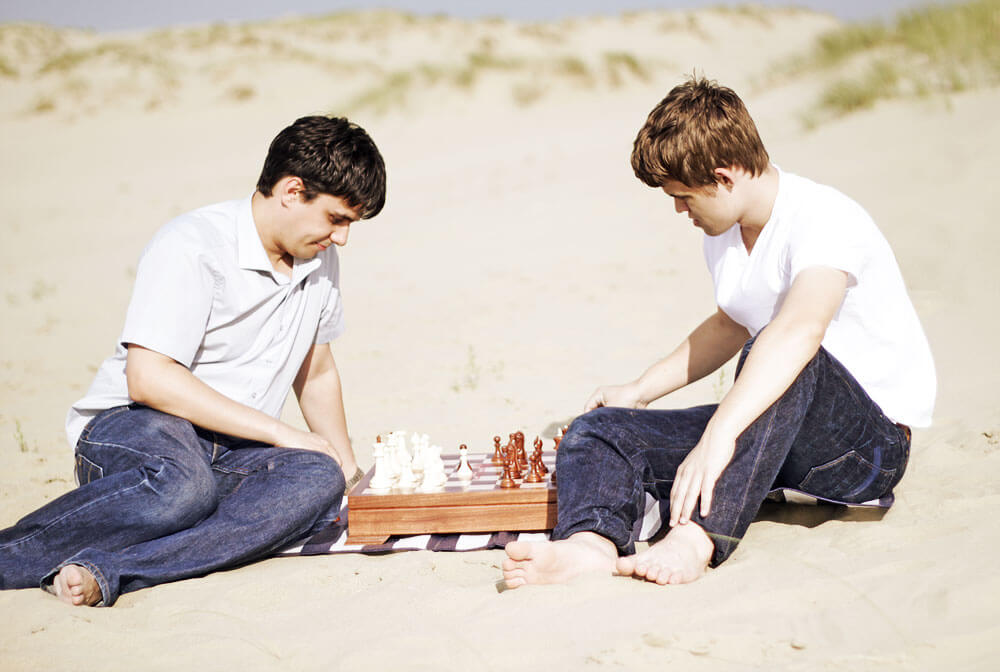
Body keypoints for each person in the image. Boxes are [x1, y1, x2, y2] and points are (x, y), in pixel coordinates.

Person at [502, 76, 935, 588]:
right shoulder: (725, 231)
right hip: (771, 437)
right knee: (601, 428)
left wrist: (719, 435)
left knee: (781, 352)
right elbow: (730, 323)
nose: (678, 210)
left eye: (684, 196)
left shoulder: (825, 217)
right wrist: (640, 391)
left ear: (724, 177)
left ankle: (696, 538)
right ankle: (590, 544)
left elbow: (800, 330)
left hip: (865, 450)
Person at [0, 115, 386, 606]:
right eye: (337, 218)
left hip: (234, 450)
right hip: (136, 428)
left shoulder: (320, 260)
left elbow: (317, 370)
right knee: (185, 487)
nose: (343, 238)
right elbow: (148, 379)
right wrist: (281, 433)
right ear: (292, 191)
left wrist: (348, 474)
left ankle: (113, 569)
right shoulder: (193, 244)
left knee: (317, 480)